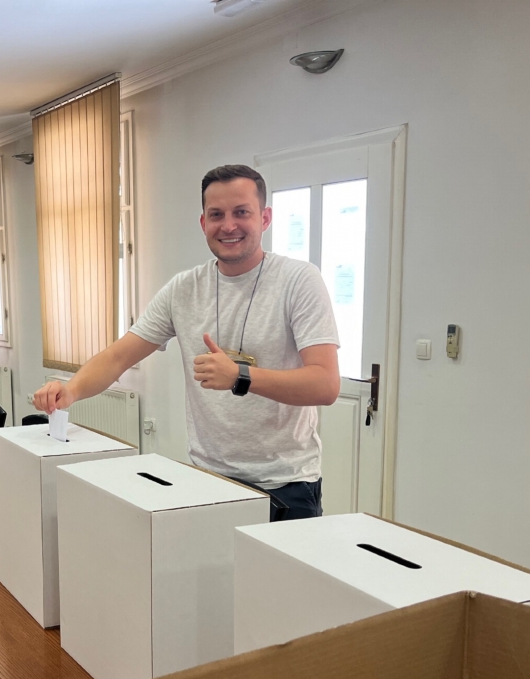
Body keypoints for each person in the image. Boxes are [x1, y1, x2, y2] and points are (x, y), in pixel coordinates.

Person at [33, 164, 341, 521]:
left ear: (265, 218)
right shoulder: (184, 289)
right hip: (207, 478)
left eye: (242, 212)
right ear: (203, 223)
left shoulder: (299, 281)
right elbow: (119, 356)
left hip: (285, 485)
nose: (229, 226)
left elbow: (325, 384)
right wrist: (71, 390)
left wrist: (240, 376)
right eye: (217, 215)